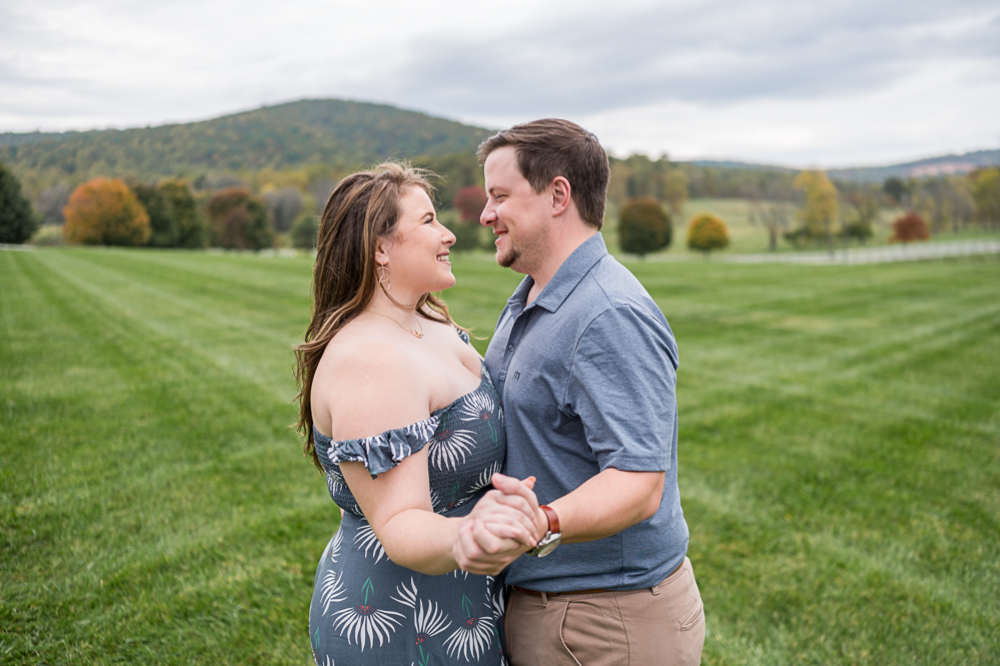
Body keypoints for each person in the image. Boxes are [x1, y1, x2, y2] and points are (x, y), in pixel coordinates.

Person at [453, 119, 706, 666]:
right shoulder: (531, 294)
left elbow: (639, 483)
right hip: (556, 609)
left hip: (607, 622)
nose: (485, 214)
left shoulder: (608, 313)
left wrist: (537, 523)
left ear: (558, 195)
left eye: (500, 196)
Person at [294, 163, 541, 666]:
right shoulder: (371, 360)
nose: (448, 233)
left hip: (461, 611)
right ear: (380, 247)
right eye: (429, 221)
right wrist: (475, 534)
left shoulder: (425, 320)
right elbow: (401, 523)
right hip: (400, 625)